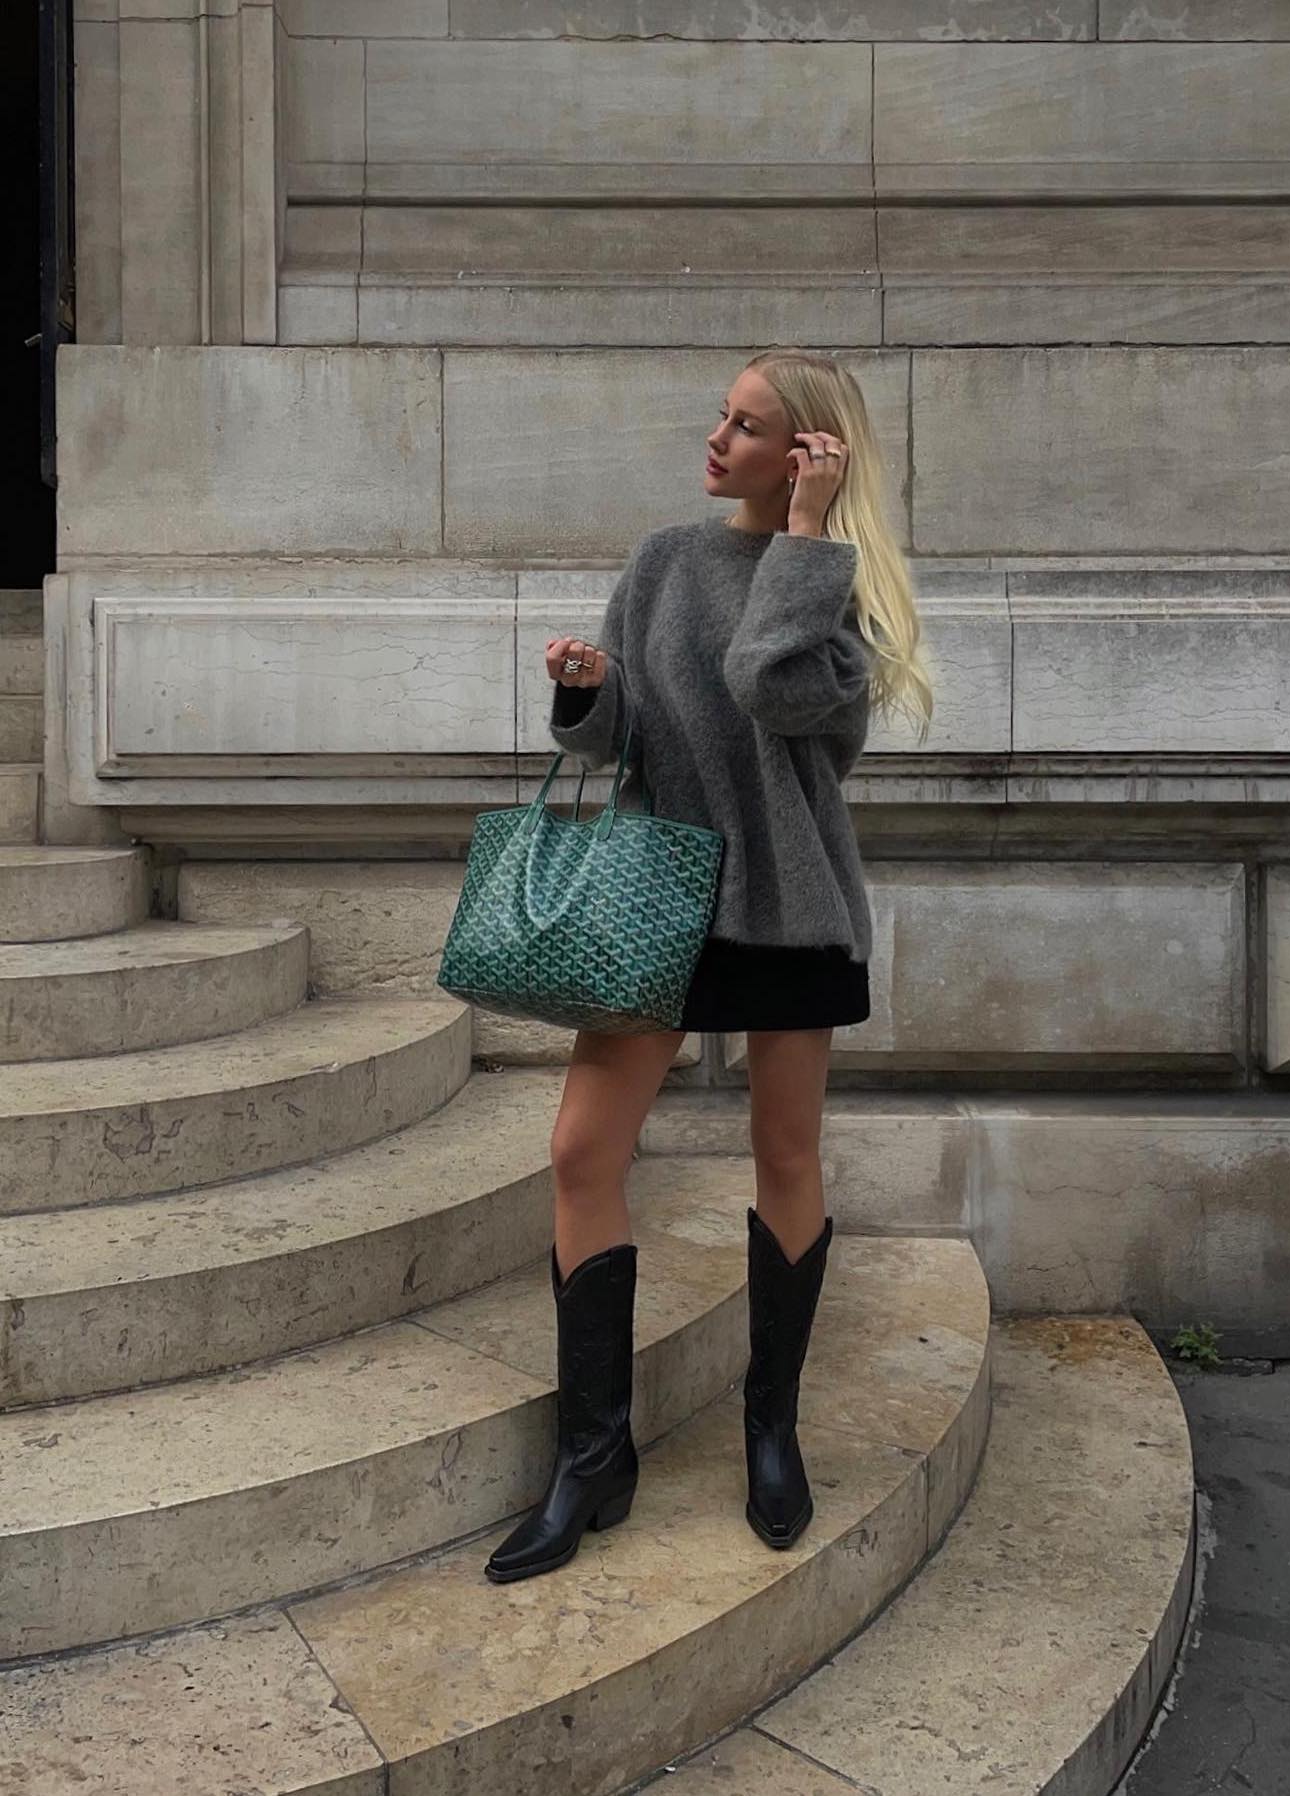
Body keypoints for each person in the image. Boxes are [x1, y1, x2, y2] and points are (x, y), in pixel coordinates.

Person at [484, 349, 933, 1584]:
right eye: (721, 418)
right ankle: (593, 1454)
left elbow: (768, 692)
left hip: (788, 905)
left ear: (806, 455)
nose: (716, 438)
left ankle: (771, 1427)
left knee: (785, 1151)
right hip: (654, 895)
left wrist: (802, 537)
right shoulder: (663, 562)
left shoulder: (836, 594)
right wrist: (587, 691)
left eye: (747, 426)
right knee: (582, 1148)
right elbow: (631, 732)